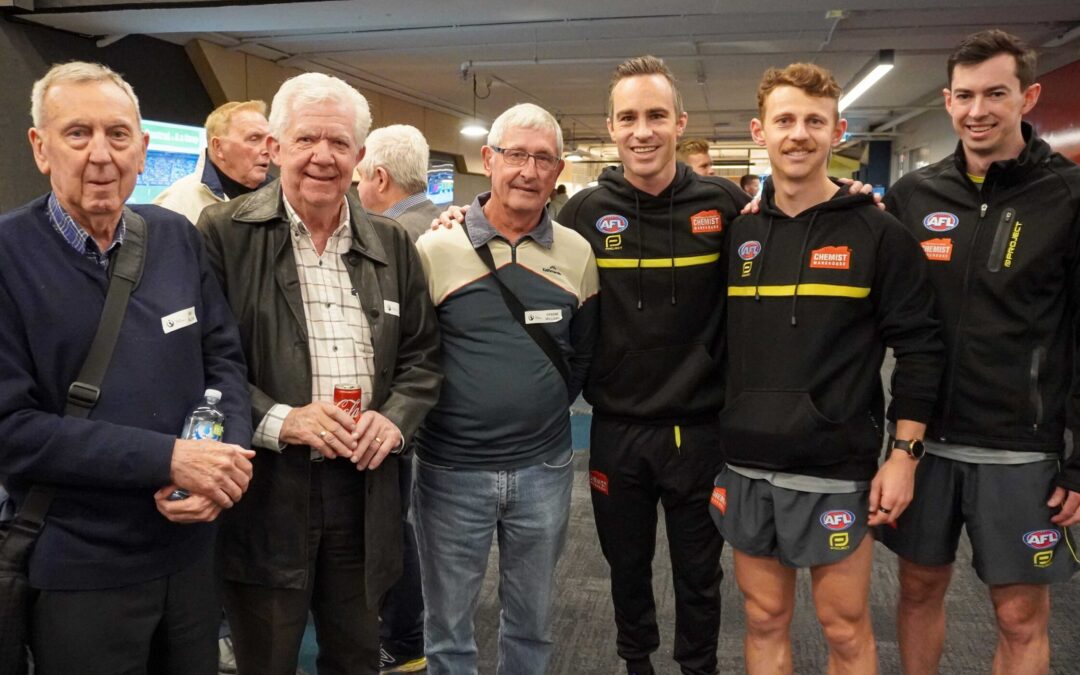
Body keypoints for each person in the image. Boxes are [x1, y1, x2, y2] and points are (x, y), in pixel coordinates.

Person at [0, 61, 254, 674]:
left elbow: (224, 360)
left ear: (142, 149)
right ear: (40, 147)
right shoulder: (8, 257)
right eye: (77, 133)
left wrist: (224, 463)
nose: (101, 155)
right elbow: (11, 429)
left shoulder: (173, 236)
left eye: (117, 135)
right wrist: (167, 459)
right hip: (81, 568)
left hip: (191, 553)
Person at [197, 71, 442, 675]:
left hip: (366, 488)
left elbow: (422, 357)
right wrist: (282, 419)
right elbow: (202, 362)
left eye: (339, 144)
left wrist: (394, 420)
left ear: (361, 157)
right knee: (269, 655)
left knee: (357, 654)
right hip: (266, 487)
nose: (323, 157)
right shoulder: (224, 234)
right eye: (307, 139)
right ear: (275, 146)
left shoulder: (391, 243)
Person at [711, 62, 943, 674]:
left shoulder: (879, 233)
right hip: (746, 461)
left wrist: (904, 455)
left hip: (835, 466)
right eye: (784, 120)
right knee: (762, 620)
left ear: (837, 132)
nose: (799, 134)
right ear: (760, 132)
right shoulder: (738, 235)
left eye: (815, 121)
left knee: (843, 629)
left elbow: (921, 348)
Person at [879, 29, 1080, 674]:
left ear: (1029, 96)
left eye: (996, 93)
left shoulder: (1068, 196)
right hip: (924, 444)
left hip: (1023, 448)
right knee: (917, 591)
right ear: (946, 99)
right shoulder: (914, 196)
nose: (978, 110)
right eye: (964, 95)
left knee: (1019, 614)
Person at [555, 55, 750, 675]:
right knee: (625, 565)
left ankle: (699, 666)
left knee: (700, 571)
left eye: (657, 116)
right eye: (629, 117)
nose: (643, 130)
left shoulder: (723, 203)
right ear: (610, 127)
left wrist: (849, 199)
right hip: (618, 429)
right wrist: (463, 217)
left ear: (680, 122)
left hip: (700, 430)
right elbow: (522, 249)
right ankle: (634, 660)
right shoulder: (584, 212)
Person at [412, 102, 598, 675]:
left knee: (532, 624)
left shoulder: (577, 253)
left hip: (543, 469)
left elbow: (583, 356)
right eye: (515, 154)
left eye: (543, 158)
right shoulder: (435, 248)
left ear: (559, 170)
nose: (528, 170)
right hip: (450, 471)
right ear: (488, 160)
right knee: (447, 629)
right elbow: (413, 356)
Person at [352, 122, 431, 674]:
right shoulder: (448, 224)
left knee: (399, 529)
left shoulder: (392, 238)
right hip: (426, 419)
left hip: (407, 420)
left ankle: (404, 641)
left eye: (358, 175)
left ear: (378, 176)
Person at [154, 100, 271, 223]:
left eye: (269, 140)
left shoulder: (283, 197)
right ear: (218, 147)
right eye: (254, 139)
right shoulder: (176, 206)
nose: (267, 149)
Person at [356, 123, 440, 244]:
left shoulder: (385, 238)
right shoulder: (447, 222)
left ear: (381, 180)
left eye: (361, 176)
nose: (358, 187)